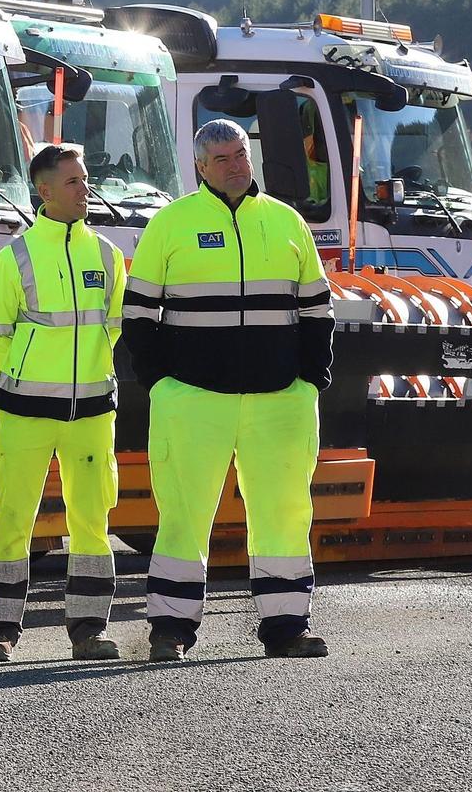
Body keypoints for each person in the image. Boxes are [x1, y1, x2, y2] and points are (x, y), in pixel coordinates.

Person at [122, 119, 335, 662]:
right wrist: (162, 385)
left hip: (280, 400)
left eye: (241, 155)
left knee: (285, 513)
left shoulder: (287, 222)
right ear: (200, 167)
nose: (236, 166)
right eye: (222, 159)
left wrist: (311, 382)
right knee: (184, 515)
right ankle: (170, 630)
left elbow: (316, 311)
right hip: (192, 399)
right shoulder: (170, 224)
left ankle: (286, 628)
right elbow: (139, 315)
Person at [0, 143, 126, 662]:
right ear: (44, 191)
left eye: (85, 180)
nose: (86, 190)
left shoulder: (106, 255)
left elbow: (112, 329)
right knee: (12, 519)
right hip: (25, 411)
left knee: (92, 520)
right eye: (74, 183)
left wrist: (86, 378)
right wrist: (28, 377)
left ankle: (89, 629)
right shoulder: (13, 257)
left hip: (91, 412)